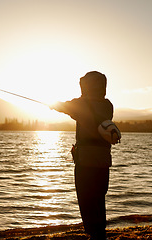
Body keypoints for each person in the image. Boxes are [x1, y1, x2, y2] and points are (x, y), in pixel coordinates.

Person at [51, 71, 113, 240]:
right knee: (99, 198)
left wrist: (52, 104)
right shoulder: (108, 105)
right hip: (103, 160)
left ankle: (95, 234)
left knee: (86, 199)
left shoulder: (83, 104)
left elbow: (65, 107)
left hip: (86, 161)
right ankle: (100, 233)